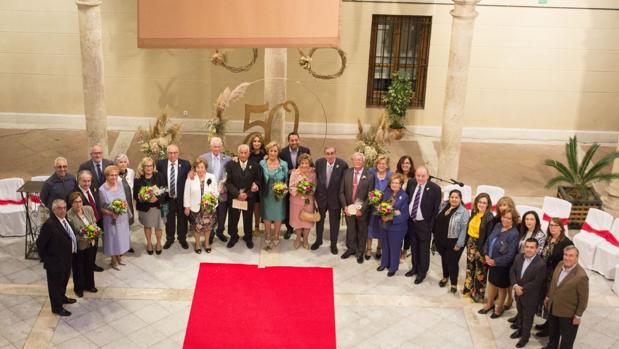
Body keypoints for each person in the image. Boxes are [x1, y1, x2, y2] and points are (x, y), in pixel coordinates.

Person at [36, 199, 77, 316]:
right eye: (59, 208)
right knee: (55, 285)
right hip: (55, 262)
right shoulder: (49, 224)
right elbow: (40, 244)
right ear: (54, 210)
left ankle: (62, 297)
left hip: (66, 259)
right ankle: (57, 307)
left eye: (64, 207)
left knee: (63, 281)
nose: (63, 210)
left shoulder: (65, 219)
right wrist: (47, 259)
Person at [543, 246, 588, 349]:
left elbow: (583, 300)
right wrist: (548, 296)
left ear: (577, 257)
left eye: (571, 256)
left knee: (567, 341)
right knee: (553, 333)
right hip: (554, 308)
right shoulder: (560, 264)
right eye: (566, 255)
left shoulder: (581, 276)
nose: (567, 258)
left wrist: (578, 316)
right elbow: (554, 284)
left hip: (568, 314)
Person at [535, 218, 574, 338]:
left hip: (556, 275)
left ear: (561, 227)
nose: (552, 228)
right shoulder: (549, 239)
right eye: (551, 225)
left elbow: (569, 261)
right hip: (545, 273)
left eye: (555, 225)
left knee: (552, 301)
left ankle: (550, 329)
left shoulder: (566, 242)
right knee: (546, 299)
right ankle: (547, 323)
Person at [479, 208, 520, 319]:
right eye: (503, 217)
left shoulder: (514, 234)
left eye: (509, 218)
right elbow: (488, 240)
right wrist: (486, 254)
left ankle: (499, 307)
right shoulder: (497, 226)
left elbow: (510, 255)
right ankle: (490, 304)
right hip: (490, 261)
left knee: (502, 288)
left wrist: (495, 262)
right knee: (491, 283)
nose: (505, 220)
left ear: (513, 220)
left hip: (502, 266)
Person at [405, 165, 442, 284]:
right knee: (414, 247)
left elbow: (436, 210)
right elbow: (408, 200)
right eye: (418, 176)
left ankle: (422, 272)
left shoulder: (435, 188)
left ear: (428, 175)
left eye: (423, 176)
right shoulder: (411, 183)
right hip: (412, 222)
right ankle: (414, 268)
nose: (420, 178)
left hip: (424, 224)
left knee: (423, 250)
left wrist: (430, 226)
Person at [509, 238, 546, 348]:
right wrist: (515, 286)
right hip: (518, 293)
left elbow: (537, 282)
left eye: (532, 247)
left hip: (530, 297)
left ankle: (525, 338)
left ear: (536, 249)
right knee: (520, 314)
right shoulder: (518, 257)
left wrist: (522, 289)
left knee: (528, 318)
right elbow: (512, 272)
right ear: (524, 247)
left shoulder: (541, 264)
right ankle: (520, 331)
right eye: (527, 247)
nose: (529, 250)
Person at [338, 152, 375, 264]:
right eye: (355, 159)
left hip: (361, 211)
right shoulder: (346, 173)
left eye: (360, 160)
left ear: (363, 161)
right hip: (348, 209)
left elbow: (371, 196)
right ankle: (351, 249)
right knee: (350, 230)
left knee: (362, 231)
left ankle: (360, 253)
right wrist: (345, 207)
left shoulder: (369, 176)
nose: (357, 161)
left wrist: (362, 209)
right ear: (352, 160)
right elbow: (341, 192)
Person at [433, 189, 470, 293]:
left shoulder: (464, 212)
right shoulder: (444, 206)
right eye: (452, 197)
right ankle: (445, 277)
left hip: (454, 242)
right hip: (441, 240)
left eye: (456, 197)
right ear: (449, 198)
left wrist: (459, 244)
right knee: (444, 259)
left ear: (460, 199)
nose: (453, 199)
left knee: (452, 262)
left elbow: (464, 230)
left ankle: (454, 283)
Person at [313, 146, 348, 254]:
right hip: (321, 198)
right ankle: (318, 241)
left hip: (335, 200)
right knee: (319, 221)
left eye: (332, 153)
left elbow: (344, 184)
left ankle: (333, 244)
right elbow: (315, 179)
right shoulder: (319, 163)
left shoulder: (342, 165)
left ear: (335, 153)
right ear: (325, 154)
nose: (330, 155)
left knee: (334, 223)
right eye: (327, 153)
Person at [225, 144, 261, 249]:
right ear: (238, 153)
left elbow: (258, 181)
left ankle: (248, 238)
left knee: (248, 218)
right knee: (233, 218)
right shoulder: (230, 165)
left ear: (249, 153)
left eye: (246, 153)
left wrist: (248, 193)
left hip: (248, 197)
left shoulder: (255, 165)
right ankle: (233, 236)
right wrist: (237, 194)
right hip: (235, 196)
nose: (243, 155)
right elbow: (228, 182)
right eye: (241, 152)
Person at [157, 144, 191, 249]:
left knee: (182, 219)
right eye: (170, 153)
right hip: (167, 199)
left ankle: (182, 238)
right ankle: (170, 239)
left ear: (178, 153)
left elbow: (189, 180)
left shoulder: (185, 164)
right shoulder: (160, 163)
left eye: (175, 152)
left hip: (181, 198)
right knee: (169, 220)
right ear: (167, 153)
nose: (172, 155)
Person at [375, 174, 409, 277]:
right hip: (384, 224)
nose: (394, 185)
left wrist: (391, 216)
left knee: (395, 247)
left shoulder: (404, 196)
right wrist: (380, 211)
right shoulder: (387, 192)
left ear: (401, 184)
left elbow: (404, 214)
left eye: (397, 183)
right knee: (385, 245)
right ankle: (384, 263)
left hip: (397, 227)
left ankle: (393, 267)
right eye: (393, 182)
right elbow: (380, 205)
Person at [66, 192, 98, 298]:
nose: (78, 204)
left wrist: (95, 230)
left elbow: (94, 222)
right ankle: (79, 288)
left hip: (91, 242)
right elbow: (72, 233)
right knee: (78, 267)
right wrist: (84, 235)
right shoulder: (69, 215)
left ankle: (90, 285)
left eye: (80, 201)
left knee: (89, 265)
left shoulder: (88, 209)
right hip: (79, 245)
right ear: (71, 203)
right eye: (75, 202)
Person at [463, 193, 494, 303]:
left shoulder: (489, 217)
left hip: (481, 245)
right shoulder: (474, 212)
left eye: (484, 203)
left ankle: (478, 294)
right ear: (476, 202)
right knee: (470, 267)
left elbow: (489, 236)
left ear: (488, 204)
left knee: (480, 271)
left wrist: (482, 251)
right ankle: (468, 289)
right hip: (471, 243)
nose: (481, 204)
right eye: (480, 202)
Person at [279, 132, 311, 240]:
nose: (294, 142)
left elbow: (310, 164)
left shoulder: (306, 150)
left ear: (299, 140)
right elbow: (280, 167)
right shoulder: (282, 152)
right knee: (290, 207)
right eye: (292, 140)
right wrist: (289, 171)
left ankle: (302, 228)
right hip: (289, 183)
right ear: (288, 141)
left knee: (303, 207)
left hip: (303, 183)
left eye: (296, 140)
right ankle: (289, 228)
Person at [200, 137, 231, 244]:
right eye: (214, 146)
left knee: (222, 214)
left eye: (218, 146)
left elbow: (230, 176)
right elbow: (199, 173)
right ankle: (211, 233)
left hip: (222, 192)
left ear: (221, 147)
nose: (217, 149)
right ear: (210, 147)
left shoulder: (228, 159)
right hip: (209, 193)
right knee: (210, 215)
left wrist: (225, 187)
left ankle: (220, 232)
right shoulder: (203, 158)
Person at [99, 165, 131, 269]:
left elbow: (125, 200)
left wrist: (124, 207)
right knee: (112, 238)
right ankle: (113, 259)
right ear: (106, 176)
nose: (114, 177)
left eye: (116, 175)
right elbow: (101, 208)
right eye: (111, 175)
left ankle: (119, 257)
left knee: (121, 237)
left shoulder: (120, 184)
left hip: (122, 217)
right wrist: (111, 213)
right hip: (110, 219)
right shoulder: (102, 190)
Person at [184, 158, 218, 253]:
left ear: (205, 168)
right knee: (197, 227)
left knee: (208, 227)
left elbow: (216, 192)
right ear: (195, 168)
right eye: (198, 167)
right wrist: (187, 206)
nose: (200, 169)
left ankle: (207, 243)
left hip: (208, 208)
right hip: (195, 207)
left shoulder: (211, 177)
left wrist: (212, 201)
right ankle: (197, 244)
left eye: (202, 167)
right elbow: (186, 193)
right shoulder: (191, 178)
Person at [133, 157, 166, 255]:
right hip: (145, 207)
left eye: (150, 165)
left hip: (157, 207)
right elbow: (135, 195)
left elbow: (164, 190)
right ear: (143, 167)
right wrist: (142, 197)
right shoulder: (138, 179)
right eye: (146, 166)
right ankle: (149, 243)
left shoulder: (159, 176)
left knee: (159, 226)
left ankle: (159, 243)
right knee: (147, 226)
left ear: (153, 167)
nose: (149, 168)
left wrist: (158, 198)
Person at [72, 169, 104, 272]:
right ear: (78, 181)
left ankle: (92, 264)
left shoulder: (93, 188)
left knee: (94, 245)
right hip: (84, 225)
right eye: (84, 181)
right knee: (86, 248)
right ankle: (86, 266)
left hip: (96, 221)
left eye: (88, 181)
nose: (87, 184)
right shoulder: (75, 193)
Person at [259, 141, 288, 249]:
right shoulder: (262, 163)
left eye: (275, 151)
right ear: (268, 151)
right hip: (266, 194)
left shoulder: (283, 164)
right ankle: (267, 233)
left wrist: (283, 190)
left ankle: (276, 234)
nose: (273, 153)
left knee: (278, 215)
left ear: (278, 152)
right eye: (271, 150)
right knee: (266, 215)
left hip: (278, 195)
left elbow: (286, 180)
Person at [366, 155, 392, 260]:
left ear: (387, 165)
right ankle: (368, 249)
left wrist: (386, 204)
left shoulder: (390, 175)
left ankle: (379, 248)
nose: (381, 165)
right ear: (376, 164)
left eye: (384, 163)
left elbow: (392, 190)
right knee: (370, 228)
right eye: (379, 163)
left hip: (384, 207)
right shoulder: (371, 172)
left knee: (382, 228)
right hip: (372, 206)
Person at [289, 154, 317, 249]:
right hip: (296, 202)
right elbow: (291, 187)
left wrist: (309, 191)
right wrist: (299, 192)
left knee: (307, 221)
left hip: (308, 202)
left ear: (309, 164)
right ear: (299, 163)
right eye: (302, 163)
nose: (304, 165)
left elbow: (315, 187)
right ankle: (297, 238)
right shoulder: (294, 173)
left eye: (306, 163)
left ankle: (305, 239)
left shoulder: (313, 174)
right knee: (297, 222)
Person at [115, 153, 135, 255]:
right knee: (120, 226)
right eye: (120, 162)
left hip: (129, 203)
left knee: (128, 225)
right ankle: (120, 247)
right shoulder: (114, 174)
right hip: (119, 205)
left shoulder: (131, 172)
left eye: (124, 162)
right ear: (116, 164)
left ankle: (128, 245)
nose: (123, 164)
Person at [396, 155, 415, 260]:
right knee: (398, 229)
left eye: (407, 163)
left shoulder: (415, 177)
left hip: (410, 208)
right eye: (403, 163)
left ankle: (405, 250)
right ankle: (397, 249)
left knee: (408, 231)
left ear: (410, 164)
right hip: (398, 207)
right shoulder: (396, 175)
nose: (405, 165)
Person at [248, 134, 266, 236]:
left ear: (261, 143)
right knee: (251, 207)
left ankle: (257, 226)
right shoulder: (248, 154)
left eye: (259, 141)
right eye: (254, 141)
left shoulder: (265, 155)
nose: (256, 143)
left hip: (262, 184)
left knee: (258, 208)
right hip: (250, 184)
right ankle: (250, 227)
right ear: (252, 143)